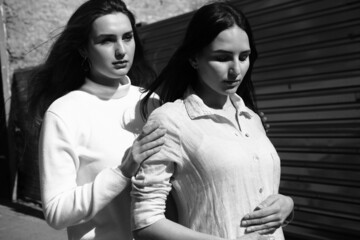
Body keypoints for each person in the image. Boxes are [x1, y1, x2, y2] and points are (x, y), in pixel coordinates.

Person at [131, 2, 294, 240]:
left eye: (244, 56)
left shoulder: (252, 119)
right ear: (194, 58)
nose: (236, 70)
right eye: (222, 58)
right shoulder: (171, 120)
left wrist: (287, 205)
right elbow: (145, 222)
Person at [28, 0, 166, 239]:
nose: (121, 50)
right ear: (83, 49)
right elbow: (56, 212)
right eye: (107, 40)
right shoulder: (64, 113)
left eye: (128, 37)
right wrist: (122, 172)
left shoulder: (151, 101)